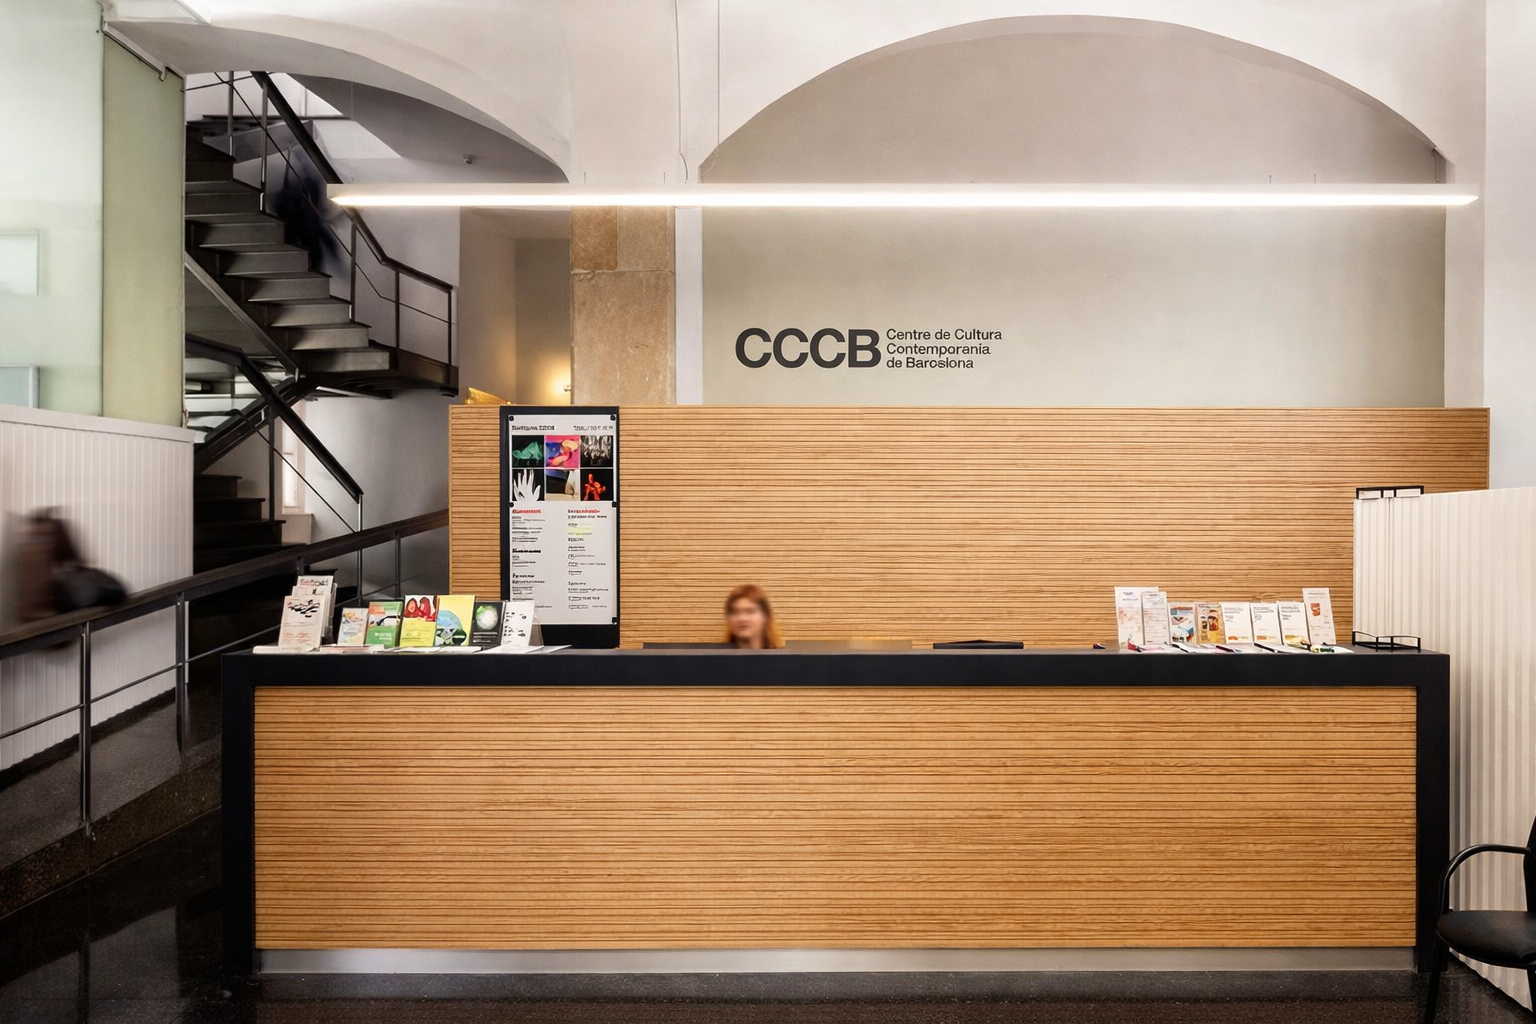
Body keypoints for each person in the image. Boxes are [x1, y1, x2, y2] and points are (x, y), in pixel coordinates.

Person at [723, 584, 783, 649]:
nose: (742, 618)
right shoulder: (718, 655)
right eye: (735, 612)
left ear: (765, 616)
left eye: (750, 611)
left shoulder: (784, 655)